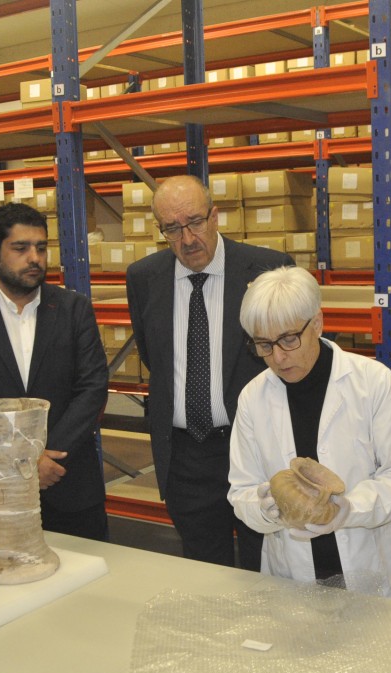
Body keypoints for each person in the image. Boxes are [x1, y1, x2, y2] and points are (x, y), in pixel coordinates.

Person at [227, 266, 391, 601]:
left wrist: (347, 509)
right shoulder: (252, 398)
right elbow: (241, 490)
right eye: (263, 344)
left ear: (316, 323)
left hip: (372, 561)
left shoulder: (372, 382)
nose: (277, 357)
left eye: (288, 339)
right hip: (295, 569)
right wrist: (267, 509)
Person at [126, 175, 292, 570]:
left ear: (215, 216)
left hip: (255, 449)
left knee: (266, 566)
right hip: (187, 457)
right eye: (172, 228)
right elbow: (154, 356)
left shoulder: (268, 269)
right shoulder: (144, 278)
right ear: (161, 230)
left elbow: (293, 358)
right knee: (205, 572)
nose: (186, 239)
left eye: (195, 222)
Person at [0, 201, 110, 543]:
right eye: (21, 248)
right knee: (1, 590)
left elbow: (92, 388)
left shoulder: (74, 310)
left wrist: (46, 456)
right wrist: (22, 463)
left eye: (41, 248)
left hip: (67, 479)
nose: (35, 258)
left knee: (84, 588)